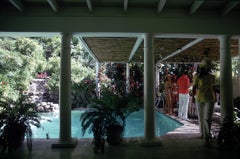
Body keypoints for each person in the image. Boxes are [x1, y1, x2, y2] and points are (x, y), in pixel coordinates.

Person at [192, 59, 216, 147]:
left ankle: (207, 136)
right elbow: (194, 87)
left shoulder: (212, 77)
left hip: (210, 99)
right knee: (201, 117)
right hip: (199, 99)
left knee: (207, 118)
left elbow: (213, 88)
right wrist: (193, 98)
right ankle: (202, 134)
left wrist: (215, 97)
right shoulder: (198, 76)